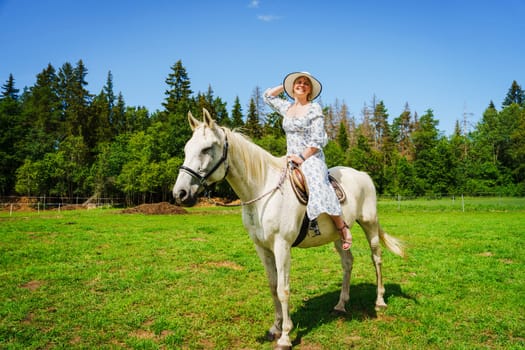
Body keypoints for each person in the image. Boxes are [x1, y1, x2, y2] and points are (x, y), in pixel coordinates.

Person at [263, 71, 352, 250]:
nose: (301, 85)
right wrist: (286, 85)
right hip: (289, 157)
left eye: (305, 83)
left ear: (310, 90)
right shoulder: (286, 108)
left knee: (316, 180)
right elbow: (267, 97)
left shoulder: (314, 108)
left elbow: (317, 140)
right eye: (298, 82)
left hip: (311, 157)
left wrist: (302, 157)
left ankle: (341, 225)